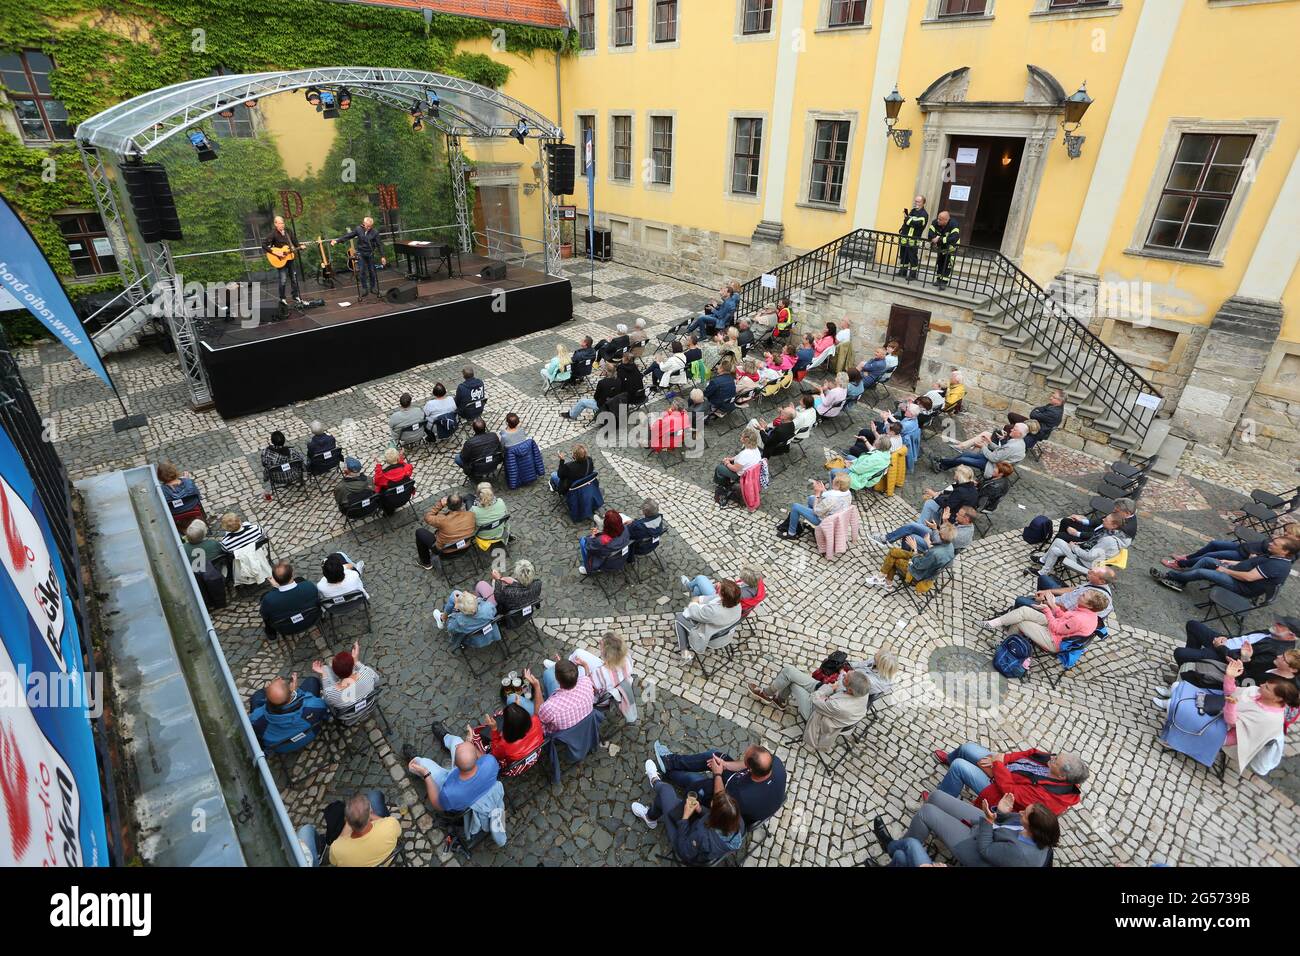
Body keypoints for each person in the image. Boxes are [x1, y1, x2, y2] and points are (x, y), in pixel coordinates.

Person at [876, 792, 1058, 868]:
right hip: (988, 827)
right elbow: (1002, 822)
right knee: (936, 796)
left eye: (1024, 814)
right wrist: (1001, 812)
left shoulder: (1021, 854)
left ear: (1033, 829)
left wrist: (987, 820)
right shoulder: (1029, 825)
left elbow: (986, 850)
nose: (1020, 812)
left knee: (927, 812)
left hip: (978, 850)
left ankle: (898, 847)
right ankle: (905, 849)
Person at [646, 743, 786, 829]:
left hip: (731, 811)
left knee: (698, 783)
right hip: (743, 789)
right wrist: (725, 765)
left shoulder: (742, 796)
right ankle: (670, 762)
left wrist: (718, 773)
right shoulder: (775, 763)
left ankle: (667, 770)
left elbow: (719, 802)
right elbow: (745, 765)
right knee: (715, 756)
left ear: (750, 770)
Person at [749, 665, 881, 753]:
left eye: (845, 678)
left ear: (850, 689)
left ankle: (769, 695)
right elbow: (842, 682)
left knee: (793, 682)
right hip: (827, 694)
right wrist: (840, 677)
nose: (844, 676)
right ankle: (776, 698)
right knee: (789, 671)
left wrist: (831, 688)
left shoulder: (839, 706)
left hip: (816, 712)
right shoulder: (863, 690)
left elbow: (814, 699)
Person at [632, 764, 745, 865]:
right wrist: (700, 810)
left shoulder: (702, 836)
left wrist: (685, 817)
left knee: (666, 790)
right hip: (699, 837)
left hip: (685, 844)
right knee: (664, 799)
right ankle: (650, 816)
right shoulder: (738, 822)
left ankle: (655, 781)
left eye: (712, 805)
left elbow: (684, 850)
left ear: (715, 816)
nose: (711, 802)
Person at [930, 744, 1087, 815]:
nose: (1051, 757)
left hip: (998, 789)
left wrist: (997, 764)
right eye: (1056, 755)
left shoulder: (1047, 797)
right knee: (966, 748)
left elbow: (1009, 791)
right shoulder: (1055, 763)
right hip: (1003, 768)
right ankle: (949, 760)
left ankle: (940, 801)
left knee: (959, 766)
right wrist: (1004, 758)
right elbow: (1031, 752)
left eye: (1055, 761)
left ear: (1061, 776)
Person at [1152, 534, 1300, 597]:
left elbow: (1249, 578)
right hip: (1236, 571)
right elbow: (1251, 563)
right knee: (1206, 560)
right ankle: (1181, 580)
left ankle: (1170, 576)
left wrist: (1225, 570)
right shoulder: (1274, 555)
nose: (1271, 543)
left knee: (1203, 572)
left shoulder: (1278, 565)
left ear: (1285, 551)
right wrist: (1233, 563)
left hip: (1241, 586)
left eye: (1275, 544)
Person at [982, 589, 1108, 653]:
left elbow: (1056, 628)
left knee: (1020, 622)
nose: (1080, 595)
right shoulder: (1087, 612)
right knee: (1025, 611)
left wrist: (1049, 609)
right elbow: (1064, 619)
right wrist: (1053, 607)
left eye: (1084, 596)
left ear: (1090, 605)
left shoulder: (1080, 618)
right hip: (1058, 627)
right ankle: (992, 624)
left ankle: (1004, 647)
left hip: (1054, 640)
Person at [881, 465, 979, 547]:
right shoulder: (971, 489)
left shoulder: (961, 492)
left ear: (966, 518)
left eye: (956, 474)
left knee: (910, 533)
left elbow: (941, 539)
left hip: (941, 531)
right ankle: (915, 527)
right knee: (929, 504)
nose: (954, 476)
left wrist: (935, 496)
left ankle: (888, 539)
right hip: (944, 525)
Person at [408, 732, 500, 813]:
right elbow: (481, 757)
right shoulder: (490, 761)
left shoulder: (449, 793)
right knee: (457, 740)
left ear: (454, 764)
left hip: (447, 781)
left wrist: (426, 774)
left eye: (457, 748)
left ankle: (414, 761)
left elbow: (437, 805)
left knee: (422, 763)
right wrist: (469, 744)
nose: (457, 746)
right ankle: (445, 737)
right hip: (472, 784)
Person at [249, 673, 328, 750]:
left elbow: (255, 732)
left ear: (267, 700)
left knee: (257, 696)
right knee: (312, 680)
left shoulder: (257, 718)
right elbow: (323, 708)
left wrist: (271, 691)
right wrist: (296, 692)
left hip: (282, 747)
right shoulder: (312, 705)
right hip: (310, 734)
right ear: (291, 690)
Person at [323, 791, 400, 867]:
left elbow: (333, 862)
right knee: (375, 795)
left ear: (346, 821)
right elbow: (398, 832)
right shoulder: (390, 824)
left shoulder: (337, 848)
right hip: (387, 859)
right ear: (371, 812)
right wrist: (369, 815)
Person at [1013, 566, 1116, 621]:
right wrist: (1048, 591)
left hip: (1060, 614)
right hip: (1061, 602)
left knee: (1020, 600)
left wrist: (1043, 601)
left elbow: (1063, 609)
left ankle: (1016, 618)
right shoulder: (1096, 583)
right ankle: (1035, 606)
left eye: (1092, 573)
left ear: (1102, 581)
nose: (1088, 572)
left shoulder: (1089, 597)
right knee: (1043, 578)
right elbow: (1074, 589)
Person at [873, 523, 957, 589]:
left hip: (916, 575)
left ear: (942, 536)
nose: (937, 533)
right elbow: (942, 561)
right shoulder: (950, 546)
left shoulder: (935, 553)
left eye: (939, 533)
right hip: (925, 562)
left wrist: (914, 549)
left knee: (895, 558)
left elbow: (918, 565)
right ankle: (883, 577)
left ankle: (886, 581)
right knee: (893, 551)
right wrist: (928, 543)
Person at [1036, 512, 1126, 574]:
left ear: (1114, 526)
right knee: (1055, 550)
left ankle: (1043, 561)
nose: (1103, 520)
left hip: (1085, 563)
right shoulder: (1108, 533)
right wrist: (1079, 544)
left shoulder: (1107, 540)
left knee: (1059, 540)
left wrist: (1074, 547)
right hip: (1085, 553)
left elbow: (1088, 556)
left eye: (1106, 520)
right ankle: (1042, 572)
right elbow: (1091, 543)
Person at [1161, 531, 1297, 572]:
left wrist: (1254, 557)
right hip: (1243, 547)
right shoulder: (1283, 541)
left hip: (1243, 556)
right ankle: (1187, 558)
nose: (1284, 532)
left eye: (1288, 533)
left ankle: (1181, 565)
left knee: (1209, 555)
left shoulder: (1289, 550)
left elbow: (1271, 560)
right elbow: (1267, 542)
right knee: (1214, 544)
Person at [932, 422, 1027, 476]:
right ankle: (943, 465)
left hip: (993, 466)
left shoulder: (1012, 446)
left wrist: (983, 446)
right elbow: (1001, 450)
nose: (1011, 430)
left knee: (963, 459)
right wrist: (989, 442)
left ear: (1019, 434)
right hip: (994, 460)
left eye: (1014, 429)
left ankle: (941, 464)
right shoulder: (1018, 441)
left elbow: (994, 458)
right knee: (965, 454)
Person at [470, 701, 543, 769]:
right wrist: (518, 712)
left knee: (476, 736)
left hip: (517, 765)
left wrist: (494, 729)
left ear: (507, 726)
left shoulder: (503, 745)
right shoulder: (536, 720)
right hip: (535, 752)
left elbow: (496, 755)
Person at [780, 473, 852, 539]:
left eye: (834, 480)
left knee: (795, 507)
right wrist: (824, 490)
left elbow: (816, 511)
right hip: (834, 517)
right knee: (811, 498)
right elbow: (830, 501)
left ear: (838, 485)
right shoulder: (848, 494)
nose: (833, 480)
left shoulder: (831, 499)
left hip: (824, 521)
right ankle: (807, 522)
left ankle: (791, 533)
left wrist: (817, 493)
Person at [312, 641, 380, 710]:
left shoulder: (331, 694)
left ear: (335, 673)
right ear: (353, 666)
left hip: (350, 715)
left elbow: (328, 703)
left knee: (325, 668)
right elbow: (377, 680)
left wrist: (323, 673)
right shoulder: (367, 672)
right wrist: (356, 660)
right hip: (369, 704)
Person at [531, 660, 594, 734]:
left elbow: (537, 719)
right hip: (581, 726)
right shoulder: (587, 682)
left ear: (557, 680)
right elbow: (587, 677)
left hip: (554, 734)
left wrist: (537, 687)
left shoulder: (549, 707)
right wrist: (585, 665)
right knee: (547, 673)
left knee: (513, 697)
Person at [260, 561, 319, 638]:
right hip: (312, 619)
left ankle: (271, 633)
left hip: (287, 628)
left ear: (275, 579)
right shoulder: (308, 586)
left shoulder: (268, 599)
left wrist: (276, 588)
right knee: (300, 579)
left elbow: (264, 615)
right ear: (292, 574)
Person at [415, 495, 477, 568]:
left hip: (445, 552)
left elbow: (427, 517)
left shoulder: (442, 519)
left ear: (447, 505)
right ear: (461, 504)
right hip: (465, 546)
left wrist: (440, 504)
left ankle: (426, 563)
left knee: (419, 532)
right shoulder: (471, 515)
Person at [433, 585, 499, 646]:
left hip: (475, 640)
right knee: (456, 593)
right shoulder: (488, 607)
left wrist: (455, 609)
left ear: (461, 610)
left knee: (454, 594)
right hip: (492, 633)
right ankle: (443, 617)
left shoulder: (460, 621)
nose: (465, 592)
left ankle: (442, 619)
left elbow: (450, 629)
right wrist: (474, 601)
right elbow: (494, 611)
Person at [261, 215, 305, 307]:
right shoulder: (273, 234)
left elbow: (294, 242)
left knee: (294, 278)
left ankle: (296, 296)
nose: (282, 225)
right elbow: (264, 245)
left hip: (290, 258)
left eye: (283, 223)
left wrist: (300, 246)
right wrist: (276, 253)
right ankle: (282, 298)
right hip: (280, 260)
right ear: (275, 224)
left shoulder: (288, 231)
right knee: (283, 279)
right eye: (280, 223)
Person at [828, 434, 893, 491]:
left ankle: (834, 489)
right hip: (864, 471)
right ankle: (843, 479)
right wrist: (852, 462)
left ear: (879, 445)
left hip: (861, 478)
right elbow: (866, 461)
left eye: (877, 440)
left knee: (833, 471)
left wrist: (850, 466)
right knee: (849, 457)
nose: (875, 440)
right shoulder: (885, 453)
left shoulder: (876, 459)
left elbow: (859, 470)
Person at [579, 509, 630, 575]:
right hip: (621, 558)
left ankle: (588, 567)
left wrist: (593, 536)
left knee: (583, 541)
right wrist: (600, 534)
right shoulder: (625, 529)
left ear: (606, 525)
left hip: (606, 563)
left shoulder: (601, 541)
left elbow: (589, 547)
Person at [894, 194, 928, 281]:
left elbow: (916, 223)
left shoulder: (924, 214)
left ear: (923, 203)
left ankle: (913, 275)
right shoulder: (913, 211)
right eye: (915, 201)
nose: (916, 202)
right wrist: (903, 227)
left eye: (918, 201)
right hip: (905, 237)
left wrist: (907, 219)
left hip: (914, 239)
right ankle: (903, 272)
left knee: (912, 257)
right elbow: (907, 222)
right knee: (903, 255)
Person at [926, 209, 960, 288]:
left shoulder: (954, 224)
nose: (938, 220)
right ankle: (938, 279)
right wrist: (935, 238)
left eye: (940, 220)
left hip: (951, 248)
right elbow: (930, 235)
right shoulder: (935, 223)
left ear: (946, 220)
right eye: (938, 218)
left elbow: (954, 238)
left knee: (948, 265)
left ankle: (944, 282)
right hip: (941, 248)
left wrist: (939, 239)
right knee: (940, 263)